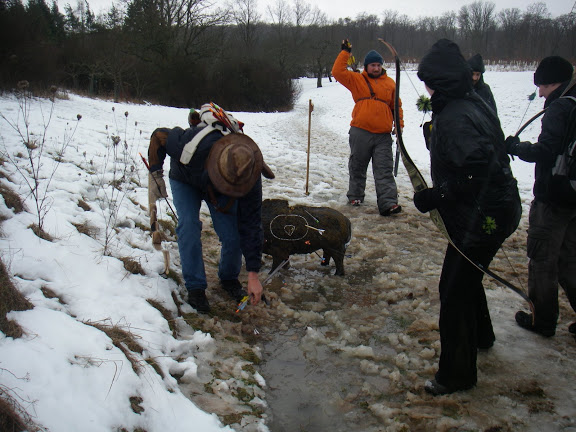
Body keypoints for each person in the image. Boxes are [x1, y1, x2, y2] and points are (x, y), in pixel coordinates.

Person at [414, 39, 522, 395]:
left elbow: (477, 173)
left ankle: (457, 375)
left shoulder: (457, 116)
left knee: (454, 291)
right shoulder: (471, 100)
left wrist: (435, 196)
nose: (427, 89)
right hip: (495, 209)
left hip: (482, 217)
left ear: (441, 81)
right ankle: (481, 337)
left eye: (430, 82)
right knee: (465, 278)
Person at [147, 107, 274, 313]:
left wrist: (253, 274)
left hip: (220, 189)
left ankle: (229, 278)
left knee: (232, 233)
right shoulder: (189, 144)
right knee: (188, 225)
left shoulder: (249, 174)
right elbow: (158, 137)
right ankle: (196, 287)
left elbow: (251, 223)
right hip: (185, 179)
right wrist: (155, 175)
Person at [505, 55, 576, 337]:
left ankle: (542, 320)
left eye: (542, 86)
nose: (540, 92)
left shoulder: (560, 108)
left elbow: (546, 151)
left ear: (552, 82)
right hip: (572, 196)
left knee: (542, 257)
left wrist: (516, 147)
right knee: (570, 259)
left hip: (553, 196)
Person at [331, 39, 403, 216]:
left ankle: (388, 203)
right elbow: (337, 72)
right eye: (372, 65)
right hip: (360, 132)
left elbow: (396, 106)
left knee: (384, 170)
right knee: (357, 166)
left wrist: (399, 125)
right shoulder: (357, 79)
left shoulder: (390, 83)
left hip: (383, 135)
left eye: (378, 65)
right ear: (366, 66)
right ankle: (355, 196)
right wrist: (345, 52)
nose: (376, 68)